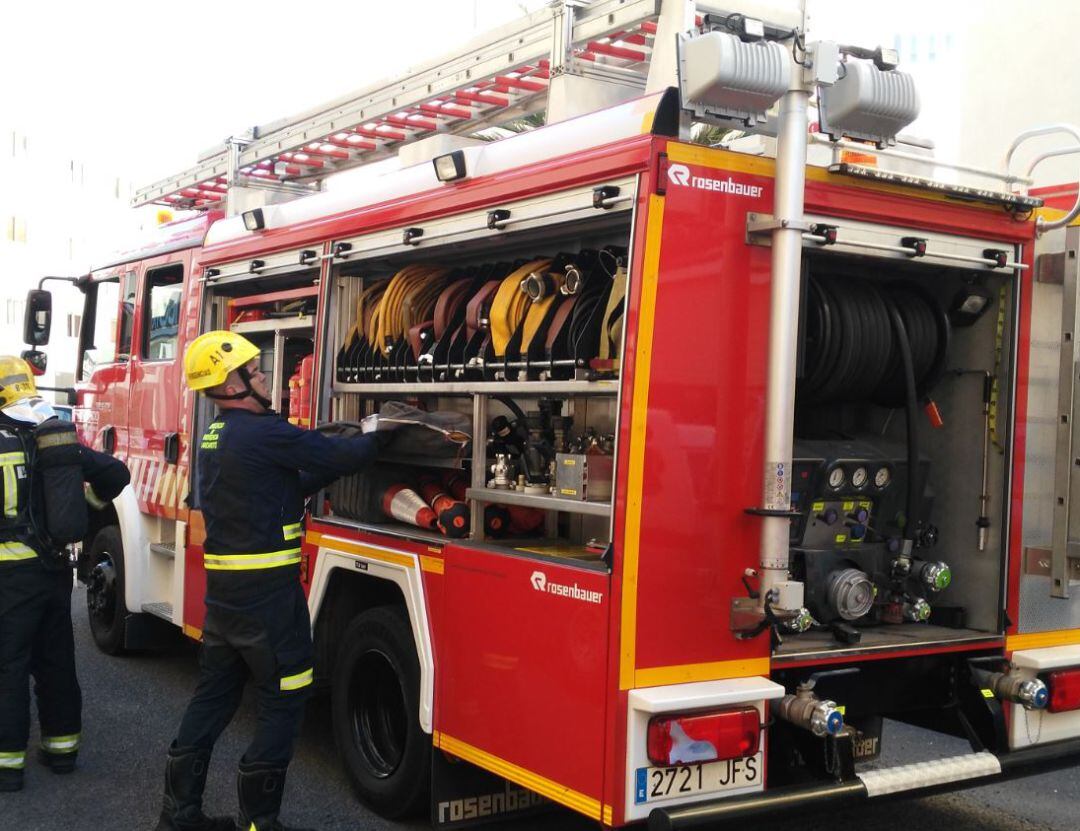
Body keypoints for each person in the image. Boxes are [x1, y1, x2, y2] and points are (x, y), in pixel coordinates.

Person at [157, 332, 388, 831]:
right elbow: (340, 456)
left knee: (214, 698)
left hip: (225, 602)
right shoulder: (263, 432)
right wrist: (383, 435)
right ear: (230, 384)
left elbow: (277, 485)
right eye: (254, 371)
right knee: (284, 698)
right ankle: (259, 822)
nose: (264, 376)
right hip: (269, 602)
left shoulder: (217, 435)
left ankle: (179, 815)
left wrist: (319, 475)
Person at [0, 356, 130, 792]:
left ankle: (7, 767)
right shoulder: (55, 438)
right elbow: (117, 474)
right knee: (55, 661)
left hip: (8, 577)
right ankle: (62, 752)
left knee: (8, 666)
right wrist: (90, 507)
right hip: (53, 571)